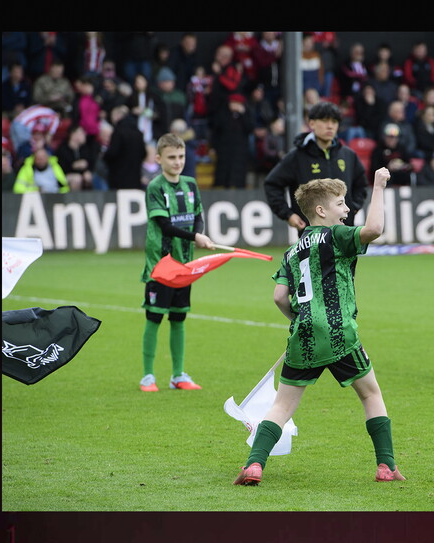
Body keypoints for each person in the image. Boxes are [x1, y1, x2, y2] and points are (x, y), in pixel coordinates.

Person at [232, 167, 406, 486]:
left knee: (282, 405)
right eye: (341, 203)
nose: (347, 209)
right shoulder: (336, 236)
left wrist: (302, 321)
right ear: (322, 210)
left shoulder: (290, 252)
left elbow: (279, 297)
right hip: (339, 332)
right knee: (370, 395)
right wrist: (379, 186)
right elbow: (374, 229)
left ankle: (254, 465)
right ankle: (387, 467)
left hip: (303, 334)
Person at [139, 133, 215, 393]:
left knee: (179, 319)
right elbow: (164, 225)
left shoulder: (191, 184)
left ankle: (177, 375)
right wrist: (196, 236)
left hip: (185, 267)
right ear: (159, 159)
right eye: (171, 157)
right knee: (154, 318)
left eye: (181, 156)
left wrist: (199, 234)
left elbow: (198, 218)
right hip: (161, 266)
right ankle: (147, 376)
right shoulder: (155, 187)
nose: (177, 162)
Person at [264, 101, 368, 231]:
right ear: (311, 123)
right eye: (325, 121)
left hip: (345, 233)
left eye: (334, 122)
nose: (330, 126)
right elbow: (272, 184)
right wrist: (288, 215)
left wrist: (354, 207)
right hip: (311, 236)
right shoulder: (296, 157)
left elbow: (361, 185)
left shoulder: (348, 155)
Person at [210, 93, 253, 189]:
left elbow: (250, 128)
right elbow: (216, 132)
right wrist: (213, 146)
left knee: (239, 174)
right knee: (223, 173)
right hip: (224, 149)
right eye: (233, 103)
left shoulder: (246, 114)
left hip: (240, 150)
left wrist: (243, 114)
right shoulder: (222, 114)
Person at [103, 105, 146, 190]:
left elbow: (113, 152)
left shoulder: (118, 131)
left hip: (119, 176)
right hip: (135, 176)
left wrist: (105, 157)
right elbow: (143, 153)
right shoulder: (138, 132)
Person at [55, 124, 102, 191]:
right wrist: (73, 166)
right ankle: (75, 200)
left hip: (82, 174)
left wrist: (87, 171)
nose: (84, 135)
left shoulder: (85, 148)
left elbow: (91, 163)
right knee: (77, 179)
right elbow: (59, 168)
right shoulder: (63, 149)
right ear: (73, 135)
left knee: (92, 177)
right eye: (81, 133)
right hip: (64, 176)